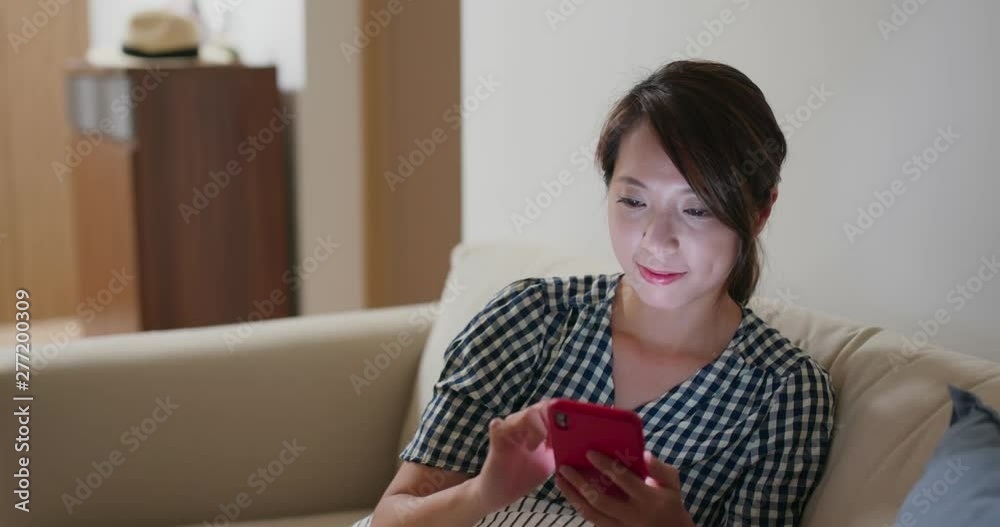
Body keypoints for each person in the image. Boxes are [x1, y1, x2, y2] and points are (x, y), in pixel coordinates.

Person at [354, 59, 836, 527]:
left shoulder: (784, 393)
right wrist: (485, 492)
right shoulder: (531, 317)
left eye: (698, 209)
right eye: (632, 201)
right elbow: (393, 518)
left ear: (759, 211)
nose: (656, 239)